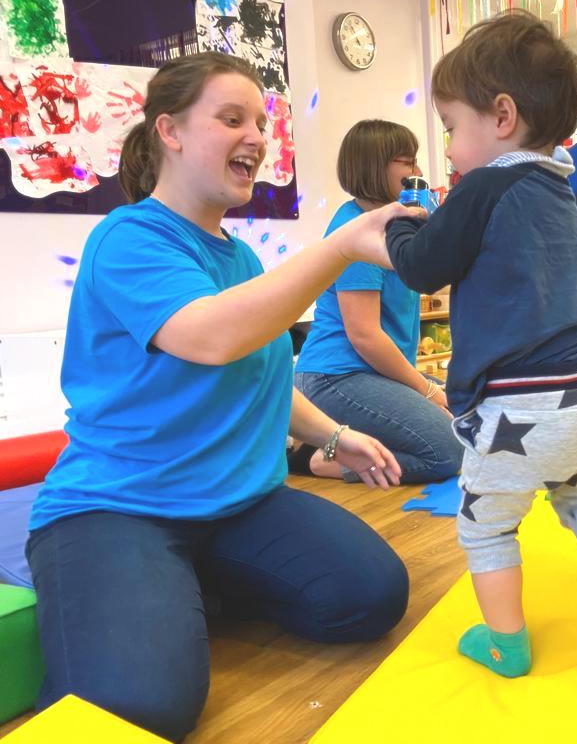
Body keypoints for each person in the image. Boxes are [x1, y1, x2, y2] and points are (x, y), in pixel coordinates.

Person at [26, 52, 418, 742]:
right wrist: (341, 247)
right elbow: (211, 339)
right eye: (232, 119)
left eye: (261, 122)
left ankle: (183, 588)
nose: (257, 138)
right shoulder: (127, 237)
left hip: (236, 506)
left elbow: (256, 375)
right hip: (120, 507)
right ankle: (149, 590)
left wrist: (335, 435)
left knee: (370, 596)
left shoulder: (240, 258)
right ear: (170, 130)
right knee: (142, 708)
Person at [383, 11, 577, 678]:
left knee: (487, 523)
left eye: (452, 127)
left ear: (502, 116)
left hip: (520, 407)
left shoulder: (484, 185)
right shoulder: (560, 188)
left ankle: (505, 642)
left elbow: (421, 265)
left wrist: (397, 226)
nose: (449, 147)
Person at [292, 120, 462, 484]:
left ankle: (348, 444)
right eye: (407, 162)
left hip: (372, 374)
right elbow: (365, 336)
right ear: (374, 165)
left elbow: (434, 281)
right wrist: (427, 389)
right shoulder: (358, 228)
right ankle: (317, 459)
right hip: (336, 376)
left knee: (467, 416)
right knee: (448, 451)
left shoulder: (393, 223)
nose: (418, 172)